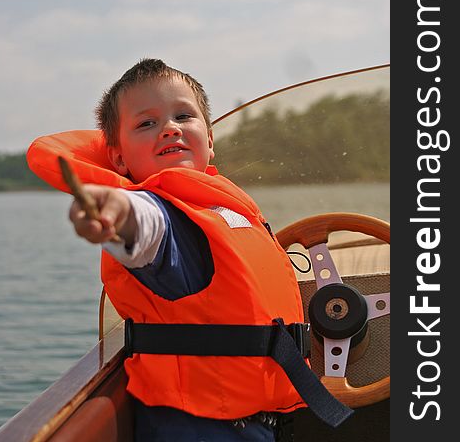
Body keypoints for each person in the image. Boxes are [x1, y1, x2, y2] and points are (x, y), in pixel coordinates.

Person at [27, 58, 351, 441]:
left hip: (258, 422)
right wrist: (114, 209)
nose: (169, 128)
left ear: (210, 141)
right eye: (146, 123)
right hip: (198, 429)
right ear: (117, 158)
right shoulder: (162, 214)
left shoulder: (225, 210)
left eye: (184, 115)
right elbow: (146, 228)